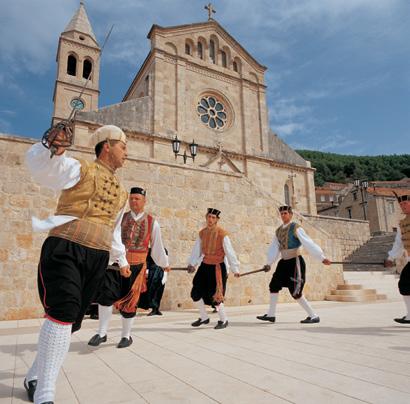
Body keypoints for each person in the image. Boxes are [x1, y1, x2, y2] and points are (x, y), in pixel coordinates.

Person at [23, 125, 129, 404]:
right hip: (67, 247)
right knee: (63, 311)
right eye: (123, 146)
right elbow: (45, 170)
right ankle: (45, 392)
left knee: (70, 322)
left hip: (97, 256)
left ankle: (33, 376)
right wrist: (52, 149)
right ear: (107, 146)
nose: (126, 152)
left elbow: (114, 230)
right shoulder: (80, 168)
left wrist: (121, 259)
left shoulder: (122, 192)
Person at [88, 187, 170, 348]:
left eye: (137, 199)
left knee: (130, 302)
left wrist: (164, 264)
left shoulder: (152, 222)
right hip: (115, 264)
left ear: (144, 201)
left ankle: (126, 336)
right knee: (106, 296)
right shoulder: (120, 218)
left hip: (137, 267)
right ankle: (101, 333)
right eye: (131, 198)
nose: (133, 201)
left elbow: (157, 247)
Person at [257, 205, 331, 324]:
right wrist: (269, 263)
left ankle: (313, 316)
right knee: (274, 285)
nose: (283, 215)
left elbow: (308, 243)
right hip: (283, 263)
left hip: (295, 262)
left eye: (285, 213)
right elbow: (274, 248)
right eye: (281, 214)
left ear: (291, 215)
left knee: (295, 291)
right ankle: (271, 315)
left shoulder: (295, 228)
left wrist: (321, 257)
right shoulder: (278, 231)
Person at [187, 208, 240, 329]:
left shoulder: (222, 234)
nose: (210, 219)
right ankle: (204, 317)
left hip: (217, 267)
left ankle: (223, 320)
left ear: (217, 220)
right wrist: (192, 264)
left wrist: (235, 269)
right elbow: (197, 250)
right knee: (195, 292)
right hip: (204, 266)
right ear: (206, 217)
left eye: (213, 217)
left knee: (216, 295)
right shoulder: (202, 233)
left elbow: (230, 252)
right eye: (209, 217)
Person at [384, 193, 410, 324]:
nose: (402, 206)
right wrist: (390, 258)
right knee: (405, 285)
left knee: (405, 283)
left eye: (405, 203)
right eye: (401, 205)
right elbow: (398, 243)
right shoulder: (402, 224)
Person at [139, 248, 168, 316]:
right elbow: (146, 261)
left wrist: (165, 274)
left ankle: (156, 308)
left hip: (161, 272)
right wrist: (146, 272)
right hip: (152, 272)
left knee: (159, 291)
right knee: (151, 290)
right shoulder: (150, 250)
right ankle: (153, 308)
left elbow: (166, 262)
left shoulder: (164, 250)